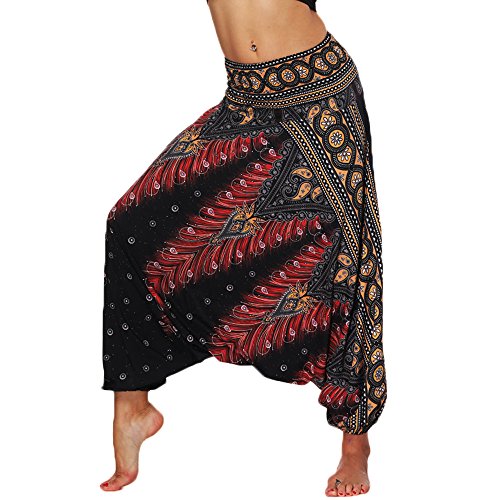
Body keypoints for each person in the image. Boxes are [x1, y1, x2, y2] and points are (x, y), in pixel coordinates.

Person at [100, 0, 387, 496]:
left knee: (347, 267)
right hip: (244, 101)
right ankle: (133, 406)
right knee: (130, 226)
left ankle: (355, 444)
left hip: (317, 99)